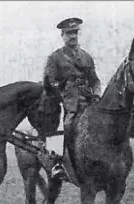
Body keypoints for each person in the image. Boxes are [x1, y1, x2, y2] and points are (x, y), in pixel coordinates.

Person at [43, 17, 101, 179]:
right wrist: (59, 92)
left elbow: (95, 80)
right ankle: (57, 162)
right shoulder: (55, 58)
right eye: (69, 33)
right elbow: (49, 81)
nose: (73, 36)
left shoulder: (86, 57)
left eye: (75, 32)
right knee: (64, 124)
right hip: (65, 100)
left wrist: (96, 93)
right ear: (62, 35)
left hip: (87, 100)